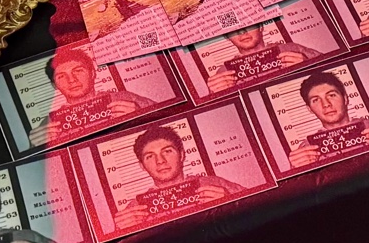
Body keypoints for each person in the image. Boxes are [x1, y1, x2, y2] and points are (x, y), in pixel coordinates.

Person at [111, 125, 246, 231]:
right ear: (142, 166)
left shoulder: (214, 184)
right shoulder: (135, 209)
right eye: (150, 156)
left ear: (181, 155)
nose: (160, 161)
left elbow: (256, 211)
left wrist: (233, 203)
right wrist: (122, 233)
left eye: (167, 151)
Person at [287, 70, 369, 167]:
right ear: (309, 109)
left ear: (345, 99)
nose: (326, 104)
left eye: (332, 95)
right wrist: (297, 171)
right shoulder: (307, 148)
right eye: (316, 100)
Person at [43, 48, 161, 142]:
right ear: (54, 85)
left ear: (92, 73)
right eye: (61, 76)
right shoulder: (49, 124)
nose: (72, 80)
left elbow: (166, 122)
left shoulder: (126, 99)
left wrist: (142, 115)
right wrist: (40, 145)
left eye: (78, 71)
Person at [204, 23, 319, 91]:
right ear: (227, 37)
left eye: (247, 24)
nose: (242, 32)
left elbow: (328, 72)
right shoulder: (224, 73)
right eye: (232, 29)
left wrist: (309, 65)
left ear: (260, 27)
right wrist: (216, 95)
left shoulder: (293, 49)